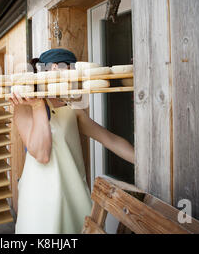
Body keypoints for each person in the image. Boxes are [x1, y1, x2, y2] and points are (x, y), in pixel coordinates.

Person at [9, 48, 135, 234]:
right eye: (67, 71)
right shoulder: (24, 107)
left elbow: (111, 140)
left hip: (71, 193)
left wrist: (144, 162)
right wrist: (37, 104)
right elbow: (42, 154)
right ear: (49, 70)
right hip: (40, 199)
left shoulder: (72, 109)